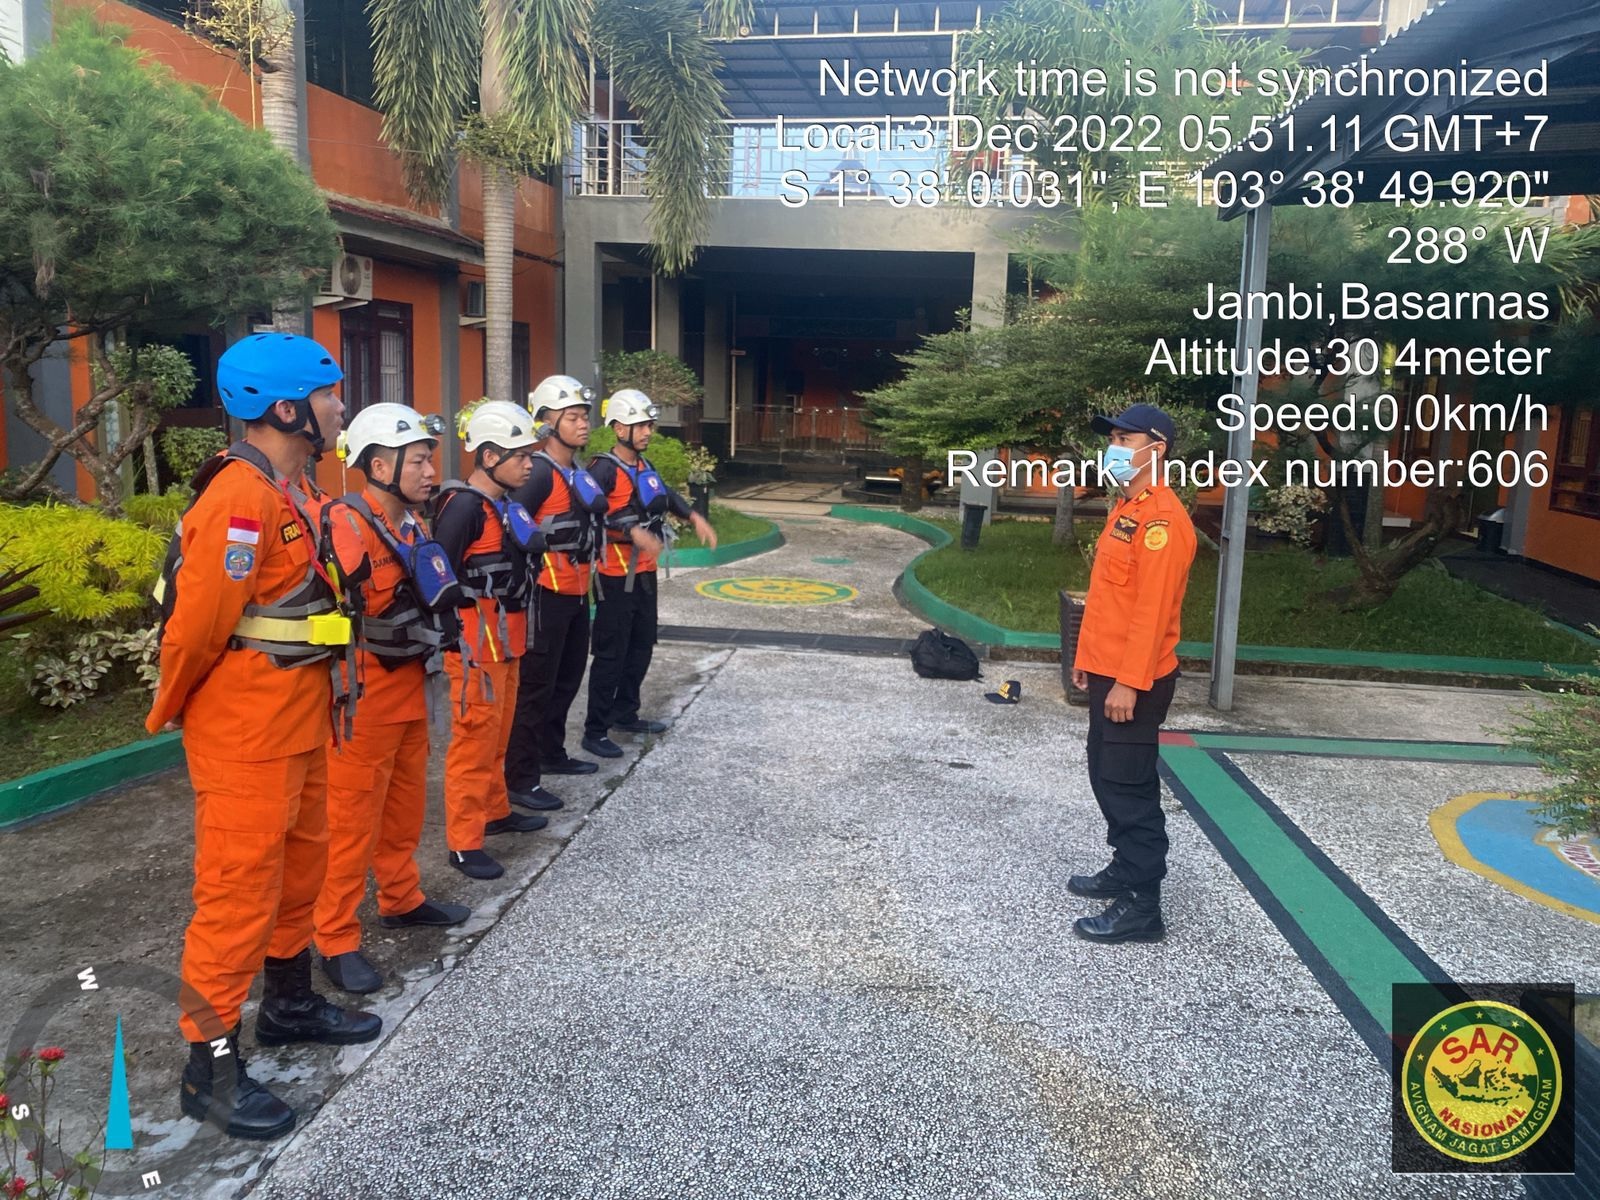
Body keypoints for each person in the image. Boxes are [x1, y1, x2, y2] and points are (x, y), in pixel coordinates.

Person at [149, 333, 379, 1141]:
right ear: (288, 409)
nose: (341, 407)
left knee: (300, 871)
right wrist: (170, 707)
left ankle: (288, 1004)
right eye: (330, 395)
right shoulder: (240, 498)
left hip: (300, 716)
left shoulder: (291, 489)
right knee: (236, 894)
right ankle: (208, 1070)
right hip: (247, 730)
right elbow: (198, 625)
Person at [311, 403, 472, 995]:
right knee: (349, 822)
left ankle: (402, 898)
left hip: (411, 689)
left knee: (403, 810)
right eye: (420, 460)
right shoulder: (342, 524)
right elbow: (320, 614)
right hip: (361, 700)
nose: (432, 471)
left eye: (430, 459)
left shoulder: (413, 525)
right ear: (379, 464)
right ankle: (334, 938)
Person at [1068, 402, 1197, 945]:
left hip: (1135, 680)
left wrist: (1127, 681)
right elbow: (1106, 601)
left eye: (1125, 439)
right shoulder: (1126, 510)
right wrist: (1085, 659)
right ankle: (1124, 866)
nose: (1115, 447)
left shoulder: (1163, 523)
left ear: (1156, 450)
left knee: (1129, 785)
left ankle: (1143, 904)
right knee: (1105, 770)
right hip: (1107, 668)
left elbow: (1151, 613)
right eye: (1113, 438)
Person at [432, 400, 549, 882]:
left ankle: (495, 811)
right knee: (473, 744)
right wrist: (450, 645)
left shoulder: (503, 505)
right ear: (487, 457)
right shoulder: (462, 507)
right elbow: (437, 576)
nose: (529, 463)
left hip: (507, 642)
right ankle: (463, 843)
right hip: (476, 649)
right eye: (520, 455)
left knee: (498, 735)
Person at [579, 388, 716, 759]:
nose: (647, 432)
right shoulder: (602, 468)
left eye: (649, 425)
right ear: (619, 428)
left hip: (644, 573)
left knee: (640, 647)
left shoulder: (643, 466)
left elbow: (666, 494)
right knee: (611, 652)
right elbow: (590, 514)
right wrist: (631, 532)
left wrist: (693, 515)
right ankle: (595, 730)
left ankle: (626, 713)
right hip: (614, 575)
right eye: (640, 425)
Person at [503, 376, 610, 808]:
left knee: (566, 680)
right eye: (572, 417)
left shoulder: (576, 471)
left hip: (575, 590)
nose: (582, 424)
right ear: (547, 422)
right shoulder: (539, 472)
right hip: (545, 593)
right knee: (535, 687)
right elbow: (511, 523)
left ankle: (551, 752)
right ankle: (520, 777)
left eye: (584, 416)